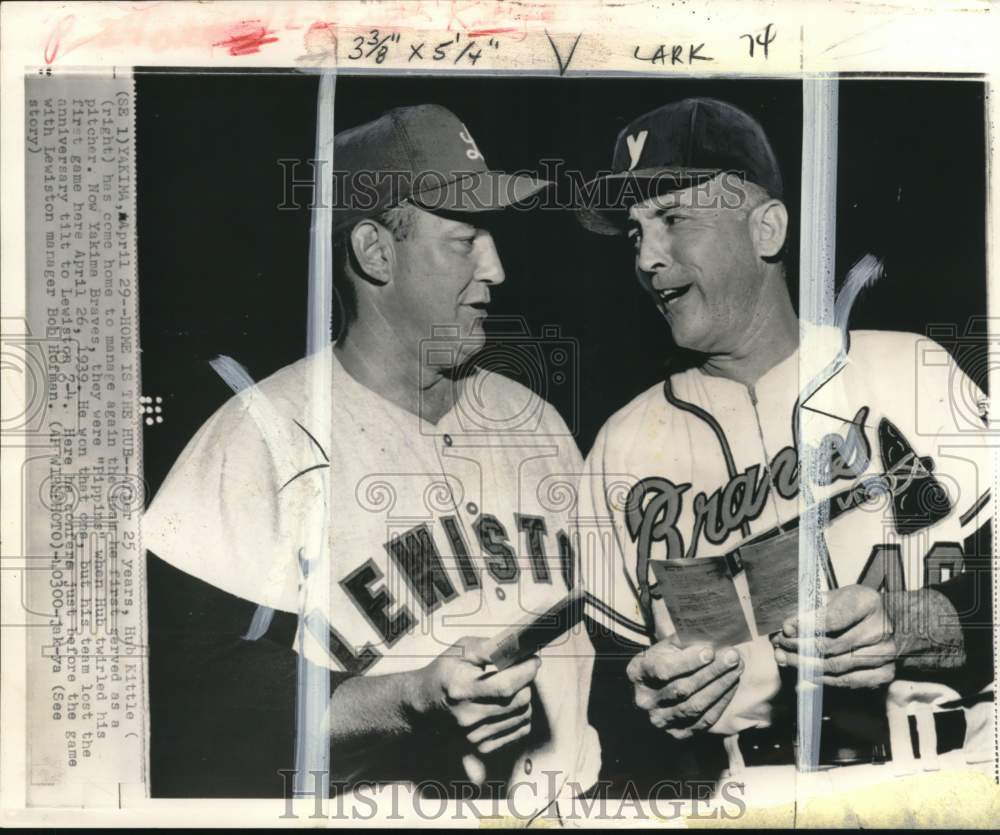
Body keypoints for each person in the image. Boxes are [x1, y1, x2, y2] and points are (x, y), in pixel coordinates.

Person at [142, 104, 600, 815]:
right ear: (374, 252)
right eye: (466, 240)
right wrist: (407, 698)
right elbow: (191, 708)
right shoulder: (259, 436)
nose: (498, 269)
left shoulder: (536, 420)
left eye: (495, 238)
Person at [573, 97, 994, 799]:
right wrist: (650, 703)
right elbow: (613, 721)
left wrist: (915, 623)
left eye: (674, 218)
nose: (647, 257)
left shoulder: (908, 369)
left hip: (953, 779)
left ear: (766, 228)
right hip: (745, 799)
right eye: (634, 233)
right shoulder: (620, 446)